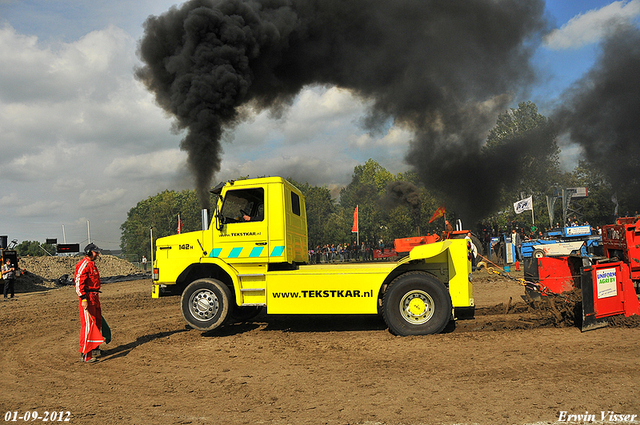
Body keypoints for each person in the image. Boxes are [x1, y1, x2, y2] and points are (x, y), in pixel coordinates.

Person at [75, 243, 105, 363]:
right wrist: (83, 299)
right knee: (88, 326)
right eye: (95, 252)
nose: (97, 254)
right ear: (89, 252)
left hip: (94, 296)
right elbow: (78, 284)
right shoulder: (84, 264)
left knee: (97, 322)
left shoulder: (92, 264)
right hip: (87, 297)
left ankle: (95, 349)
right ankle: (86, 354)